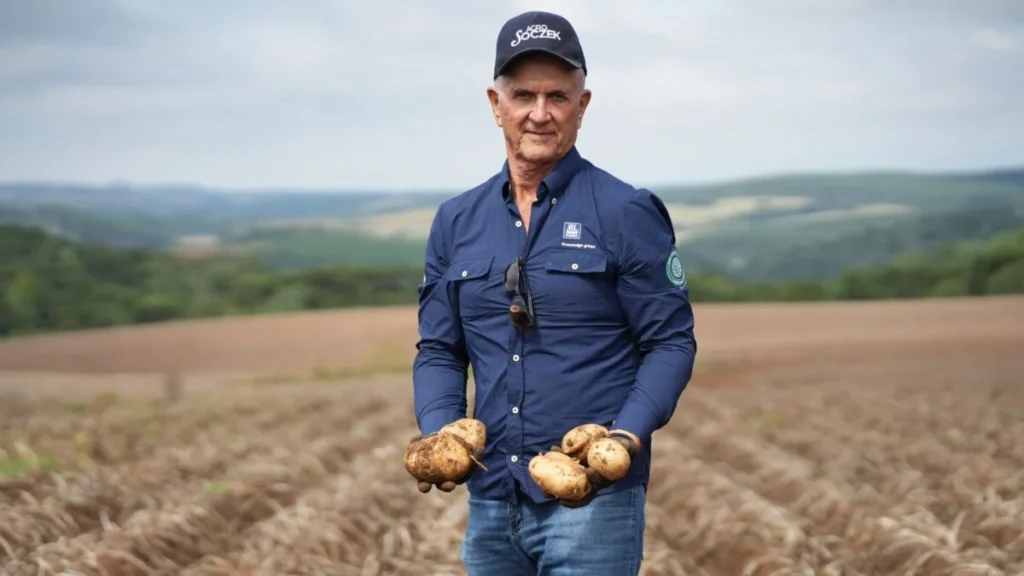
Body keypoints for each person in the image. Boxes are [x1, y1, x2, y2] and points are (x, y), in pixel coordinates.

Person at [408, 9, 697, 576]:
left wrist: (624, 438)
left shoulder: (626, 212)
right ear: (496, 104)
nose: (540, 114)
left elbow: (670, 344)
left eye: (558, 96)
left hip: (594, 504)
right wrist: (442, 430)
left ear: (582, 105)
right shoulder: (455, 221)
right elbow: (440, 349)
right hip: (491, 503)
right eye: (523, 96)